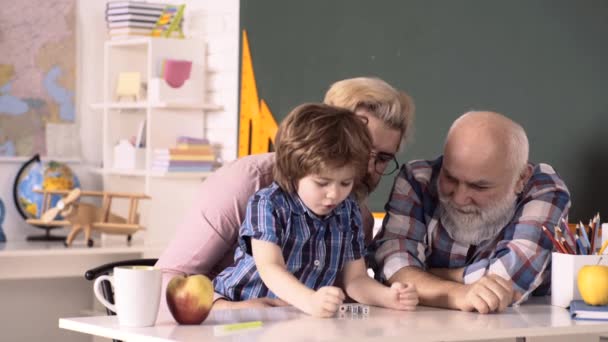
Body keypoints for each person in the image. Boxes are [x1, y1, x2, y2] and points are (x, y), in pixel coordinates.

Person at [155, 77, 415, 320]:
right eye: (360, 148)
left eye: (382, 159)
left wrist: (386, 296)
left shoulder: (353, 215)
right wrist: (228, 309)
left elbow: (345, 289)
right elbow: (166, 279)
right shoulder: (249, 186)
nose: (366, 168)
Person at [212, 103, 418, 317]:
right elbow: (270, 267)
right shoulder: (268, 204)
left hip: (294, 317)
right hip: (239, 309)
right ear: (293, 171)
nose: (334, 194)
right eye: (322, 183)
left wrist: (388, 297)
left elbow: (356, 280)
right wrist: (309, 300)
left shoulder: (348, 212)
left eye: (345, 183)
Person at [371, 111, 571, 314]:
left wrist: (422, 274)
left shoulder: (545, 188)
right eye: (450, 178)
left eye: (479, 187)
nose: (459, 198)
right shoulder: (417, 178)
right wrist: (457, 294)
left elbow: (508, 280)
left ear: (521, 179)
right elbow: (392, 267)